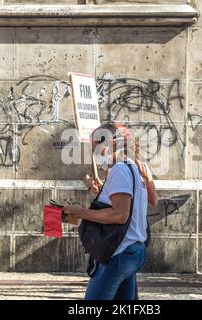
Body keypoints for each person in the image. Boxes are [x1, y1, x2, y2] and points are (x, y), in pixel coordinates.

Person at [64, 123, 149, 300]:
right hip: (132, 251)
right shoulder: (131, 167)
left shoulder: (119, 169)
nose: (96, 156)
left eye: (96, 149)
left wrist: (82, 212)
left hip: (120, 252)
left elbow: (120, 215)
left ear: (110, 144)